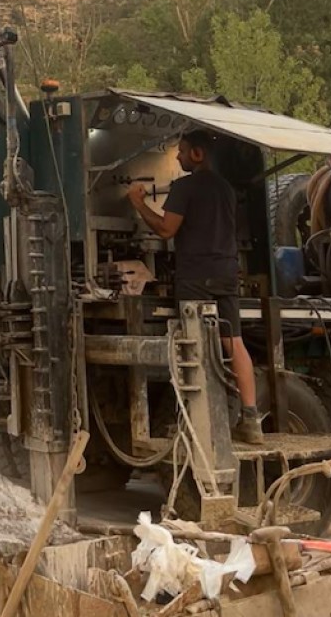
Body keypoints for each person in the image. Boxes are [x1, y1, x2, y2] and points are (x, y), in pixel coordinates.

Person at [127, 128, 262, 444]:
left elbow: (165, 229)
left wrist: (138, 203)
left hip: (196, 276)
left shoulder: (185, 187)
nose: (177, 156)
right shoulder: (227, 189)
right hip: (226, 273)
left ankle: (198, 422)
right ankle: (251, 419)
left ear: (198, 154)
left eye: (183, 151)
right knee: (234, 342)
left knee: (193, 344)